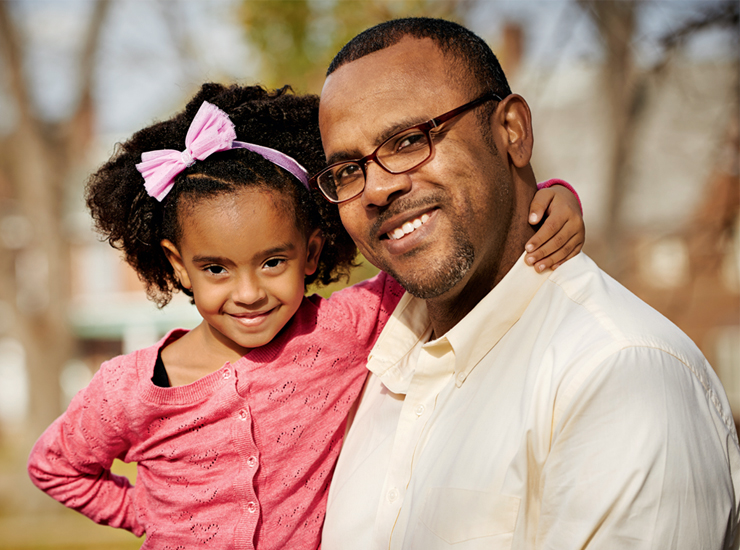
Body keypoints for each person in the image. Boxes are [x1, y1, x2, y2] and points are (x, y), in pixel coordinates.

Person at [27, 83, 584, 550]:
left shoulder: (342, 330)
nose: (248, 293)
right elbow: (55, 468)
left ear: (311, 253)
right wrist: (151, 514)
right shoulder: (127, 390)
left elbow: (438, 257)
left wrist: (543, 199)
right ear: (179, 266)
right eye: (216, 269)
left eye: (273, 262)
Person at [315, 17, 740, 550]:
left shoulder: (616, 373)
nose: (376, 189)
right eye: (348, 171)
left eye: (407, 141)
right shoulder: (361, 370)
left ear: (512, 131)